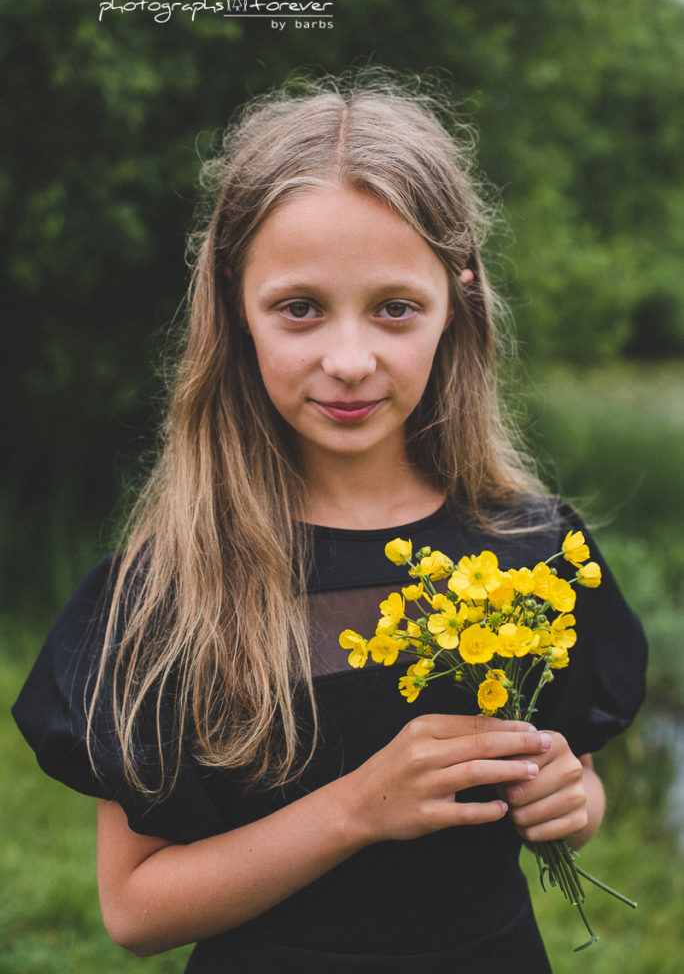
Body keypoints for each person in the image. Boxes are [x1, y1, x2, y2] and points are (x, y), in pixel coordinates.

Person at [12, 72, 647, 973]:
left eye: (395, 308)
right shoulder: (167, 592)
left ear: (456, 299)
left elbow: (574, 778)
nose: (349, 361)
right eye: (300, 308)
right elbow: (135, 908)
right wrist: (358, 809)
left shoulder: (533, 550)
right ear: (237, 305)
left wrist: (571, 804)